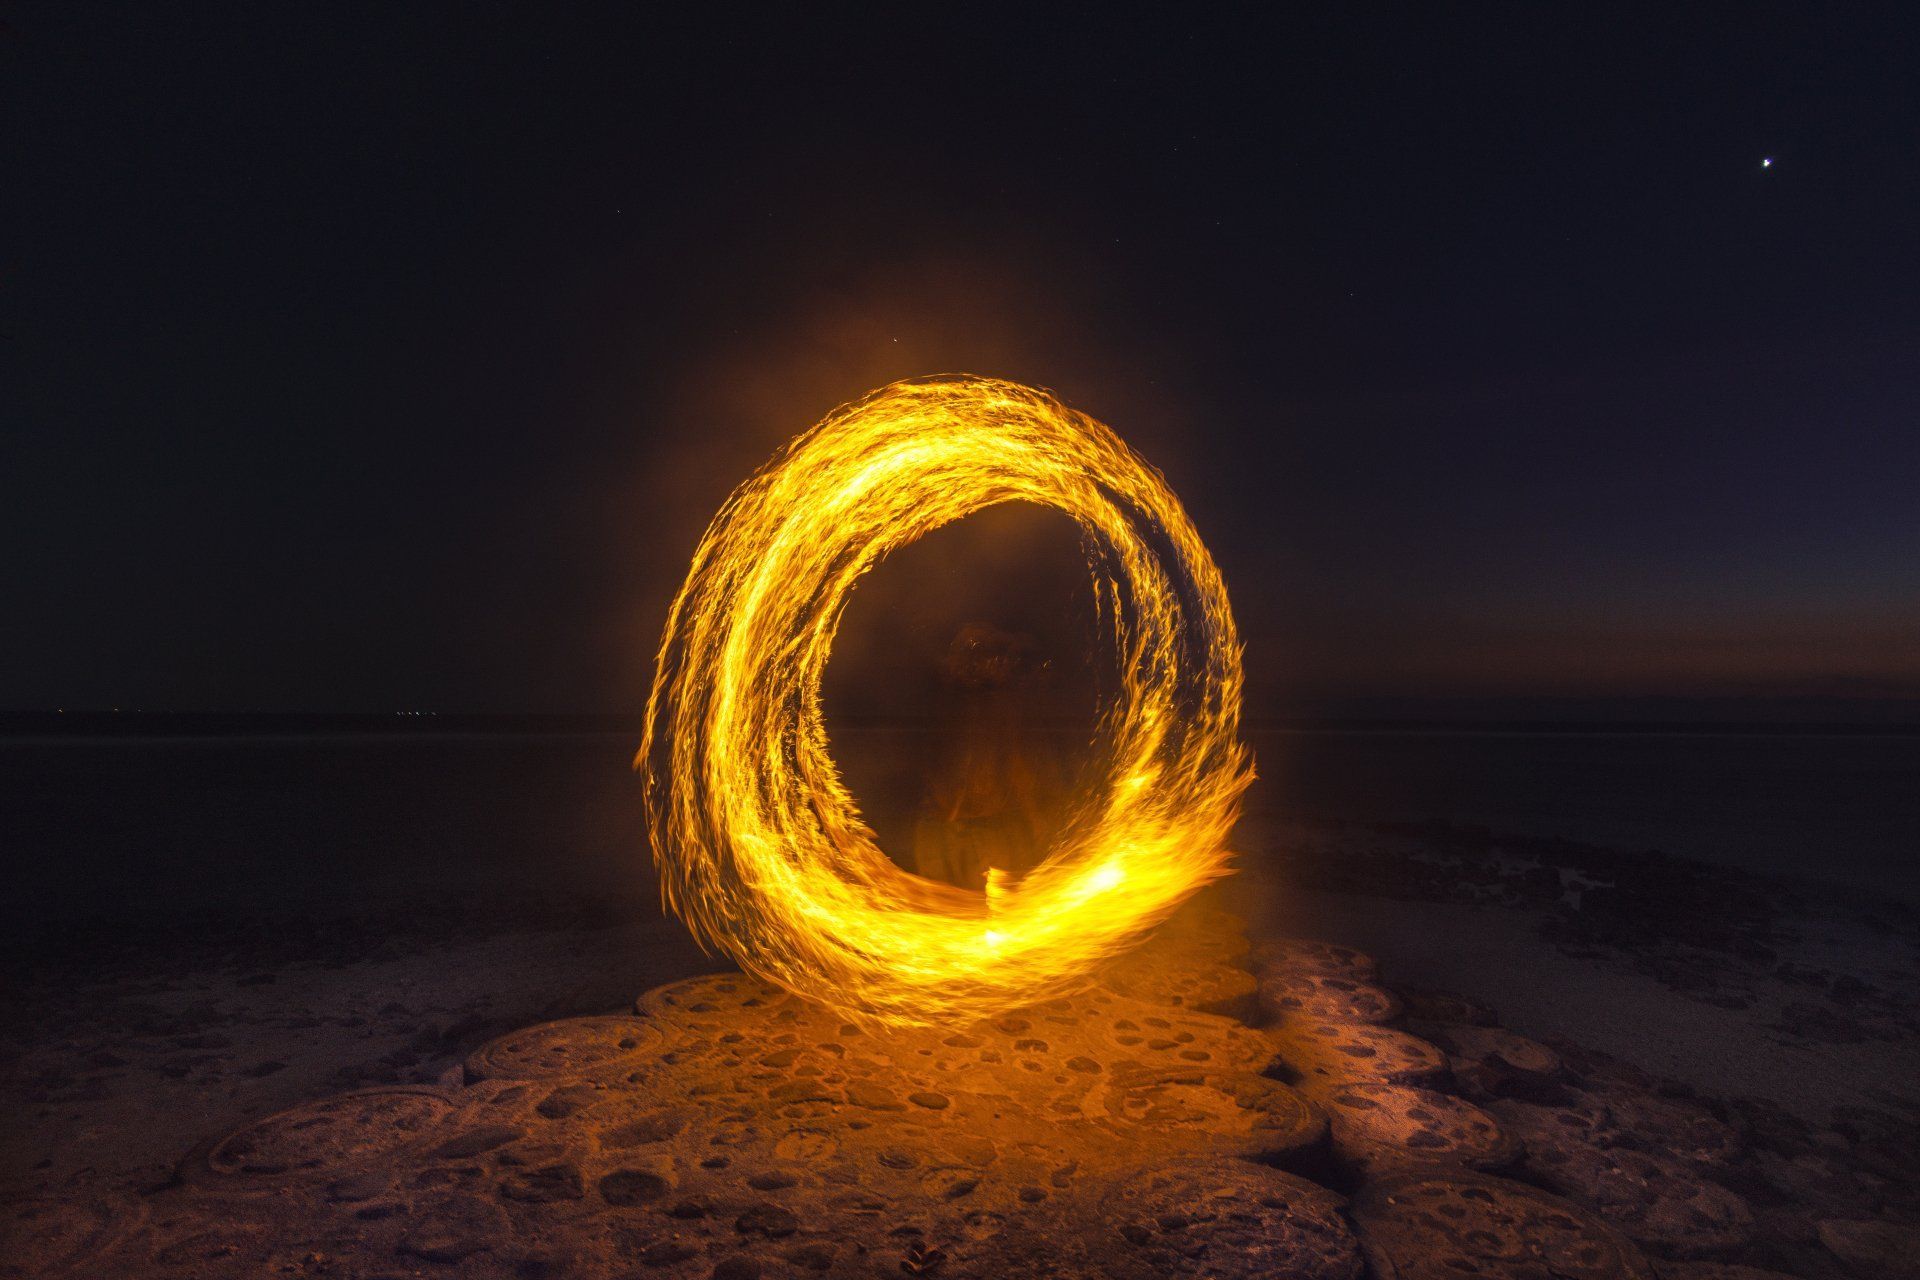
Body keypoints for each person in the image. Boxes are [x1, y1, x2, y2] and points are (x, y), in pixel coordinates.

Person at [911, 622, 1068, 893]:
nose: (992, 665)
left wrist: (1041, 822)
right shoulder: (951, 711)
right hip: (953, 832)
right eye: (980, 657)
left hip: (991, 830)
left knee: (1003, 909)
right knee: (959, 913)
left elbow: (1024, 770)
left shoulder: (1006, 711)